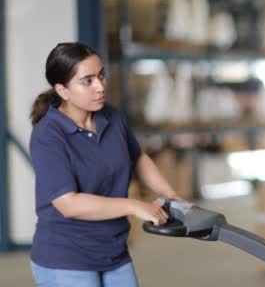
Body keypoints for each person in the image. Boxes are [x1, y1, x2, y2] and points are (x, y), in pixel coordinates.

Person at [29, 42, 180, 287]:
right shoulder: (48, 135)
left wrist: (173, 196)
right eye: (87, 81)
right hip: (66, 257)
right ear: (63, 90)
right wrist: (134, 206)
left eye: (101, 76)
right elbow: (69, 204)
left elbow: (137, 158)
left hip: (113, 252)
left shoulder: (112, 116)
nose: (100, 86)